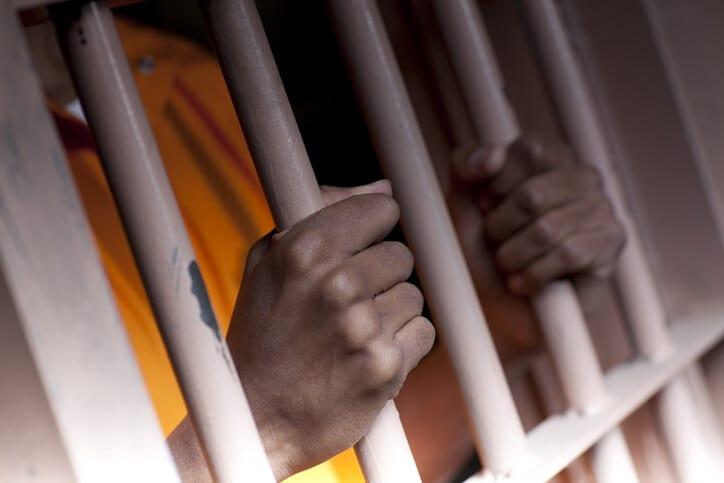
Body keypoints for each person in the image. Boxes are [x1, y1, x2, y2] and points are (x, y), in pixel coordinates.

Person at [28, 10, 624, 482]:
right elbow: (280, 431)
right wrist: (255, 432)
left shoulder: (197, 74)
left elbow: (337, 467)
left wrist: (492, 325)